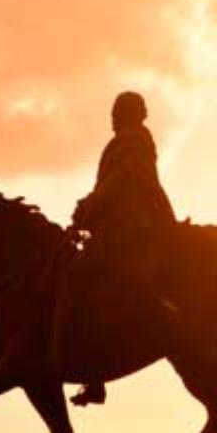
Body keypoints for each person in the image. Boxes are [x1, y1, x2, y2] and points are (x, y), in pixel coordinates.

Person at [69, 91, 176, 406]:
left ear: (129, 114)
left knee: (79, 280)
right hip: (120, 227)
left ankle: (93, 375)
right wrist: (89, 208)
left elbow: (119, 182)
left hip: (128, 232)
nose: (112, 118)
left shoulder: (132, 142)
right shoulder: (135, 141)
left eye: (116, 112)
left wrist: (91, 204)